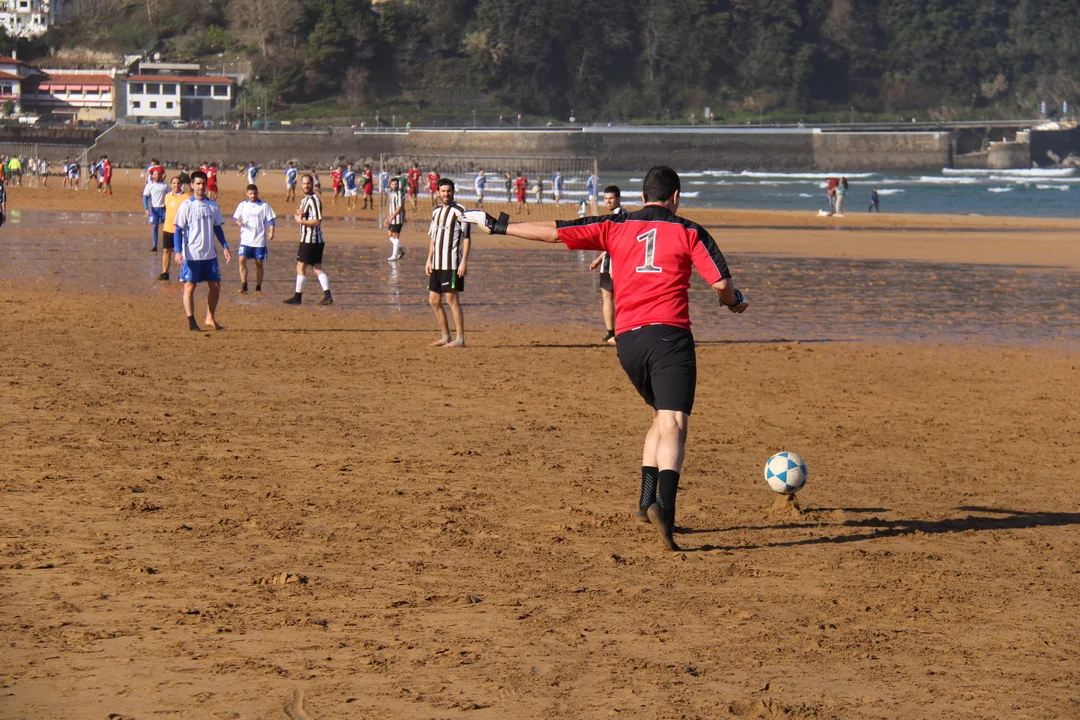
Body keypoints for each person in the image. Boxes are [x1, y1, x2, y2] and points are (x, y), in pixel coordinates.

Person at [464, 166, 747, 551]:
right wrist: (734, 302)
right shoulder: (689, 231)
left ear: (642, 196)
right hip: (669, 336)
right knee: (675, 422)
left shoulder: (616, 224)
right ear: (676, 198)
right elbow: (720, 284)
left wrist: (500, 226)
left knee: (659, 416)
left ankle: (646, 501)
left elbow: (555, 231)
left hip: (628, 341)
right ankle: (666, 508)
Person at [173, 171, 232, 331]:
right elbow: (178, 229)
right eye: (198, 184)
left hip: (209, 254)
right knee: (190, 286)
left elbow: (217, 227)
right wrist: (177, 251)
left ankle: (210, 318)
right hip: (191, 254)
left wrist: (225, 246)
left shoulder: (212, 205)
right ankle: (191, 321)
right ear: (192, 185)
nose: (201, 186)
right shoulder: (186, 205)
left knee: (215, 286)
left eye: (203, 184)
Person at [426, 178, 471, 348]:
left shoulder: (461, 211)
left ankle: (460, 338)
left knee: (451, 299)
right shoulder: (436, 212)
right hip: (436, 263)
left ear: (453, 192)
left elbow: (466, 238)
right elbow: (433, 237)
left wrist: (464, 261)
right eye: (443, 191)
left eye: (449, 191)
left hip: (452, 263)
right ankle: (445, 336)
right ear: (438, 193)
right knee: (434, 300)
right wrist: (429, 259)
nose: (446, 194)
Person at [581, 186, 626, 344]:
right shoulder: (624, 214)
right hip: (612, 259)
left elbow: (617, 243)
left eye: (611, 198)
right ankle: (614, 332)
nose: (608, 202)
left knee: (610, 297)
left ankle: (613, 333)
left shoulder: (618, 216)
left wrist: (611, 264)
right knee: (612, 297)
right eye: (606, 198)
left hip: (614, 262)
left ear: (618, 199)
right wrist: (599, 258)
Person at [283, 174, 333, 306]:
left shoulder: (313, 199)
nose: (306, 186)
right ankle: (327, 296)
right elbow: (302, 214)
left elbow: (317, 221)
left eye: (308, 183)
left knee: (301, 266)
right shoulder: (304, 200)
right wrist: (299, 213)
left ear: (312, 184)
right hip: (309, 239)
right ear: (301, 185)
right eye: (304, 184)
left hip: (311, 239)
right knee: (316, 268)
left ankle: (298, 297)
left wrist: (301, 221)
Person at [233, 183, 276, 294]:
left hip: (259, 240)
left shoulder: (264, 205)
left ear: (257, 193)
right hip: (245, 239)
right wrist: (238, 222)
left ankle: (258, 287)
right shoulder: (243, 205)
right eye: (251, 193)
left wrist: (271, 232)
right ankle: (244, 285)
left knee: (259, 264)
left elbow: (271, 220)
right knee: (241, 260)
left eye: (255, 193)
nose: (253, 196)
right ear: (247, 194)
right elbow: (235, 217)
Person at [159, 175, 191, 281]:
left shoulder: (187, 197)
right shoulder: (167, 196)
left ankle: (183, 273)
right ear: (171, 184)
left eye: (178, 183)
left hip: (181, 229)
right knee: (166, 250)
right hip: (168, 228)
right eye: (173, 183)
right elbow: (165, 210)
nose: (176, 185)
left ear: (181, 185)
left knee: (182, 252)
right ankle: (165, 272)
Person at [142, 168, 168, 252]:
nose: (157, 176)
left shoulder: (165, 185)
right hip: (154, 209)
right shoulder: (149, 185)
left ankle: (167, 245)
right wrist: (146, 209)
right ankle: (154, 246)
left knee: (167, 227)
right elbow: (145, 197)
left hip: (163, 209)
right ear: (152, 176)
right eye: (155, 174)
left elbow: (169, 195)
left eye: (158, 174)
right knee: (154, 227)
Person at [384, 176, 406, 261]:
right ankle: (399, 250)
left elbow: (399, 207)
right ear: (390, 185)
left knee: (395, 236)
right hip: (392, 217)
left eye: (396, 184)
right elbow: (391, 208)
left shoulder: (399, 193)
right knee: (389, 234)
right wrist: (388, 217)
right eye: (393, 184)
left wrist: (393, 216)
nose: (394, 186)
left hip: (398, 218)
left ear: (398, 185)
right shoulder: (392, 194)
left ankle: (394, 255)